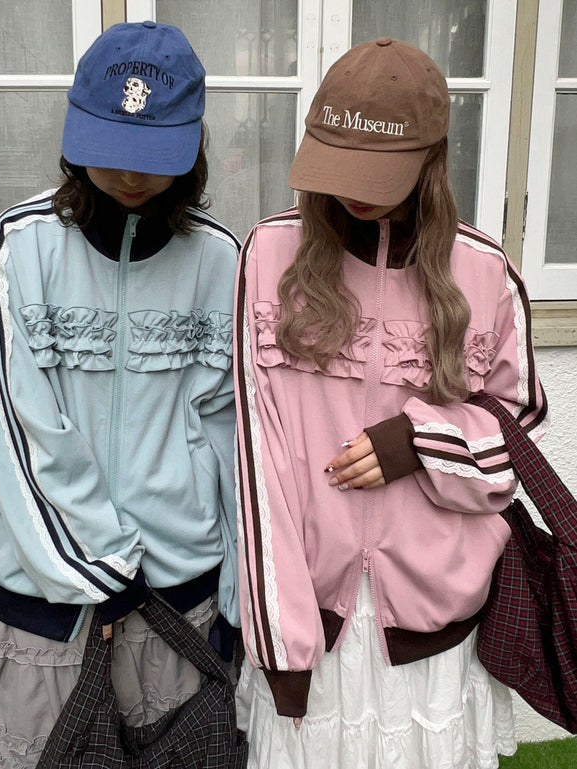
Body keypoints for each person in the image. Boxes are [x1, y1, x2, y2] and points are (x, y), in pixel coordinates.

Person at [233, 37, 546, 769]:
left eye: (377, 171)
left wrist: (420, 441)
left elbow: (518, 430)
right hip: (312, 611)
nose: (355, 191)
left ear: (430, 161)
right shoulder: (269, 255)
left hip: (436, 622)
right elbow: (255, 455)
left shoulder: (484, 271)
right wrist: (282, 644)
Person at [0, 21, 240, 769]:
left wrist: (238, 598)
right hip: (46, 603)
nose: (130, 174)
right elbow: (23, 425)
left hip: (180, 599)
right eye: (110, 149)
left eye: (153, 155)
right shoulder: (22, 245)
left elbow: (230, 435)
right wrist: (99, 567)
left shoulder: (219, 260)